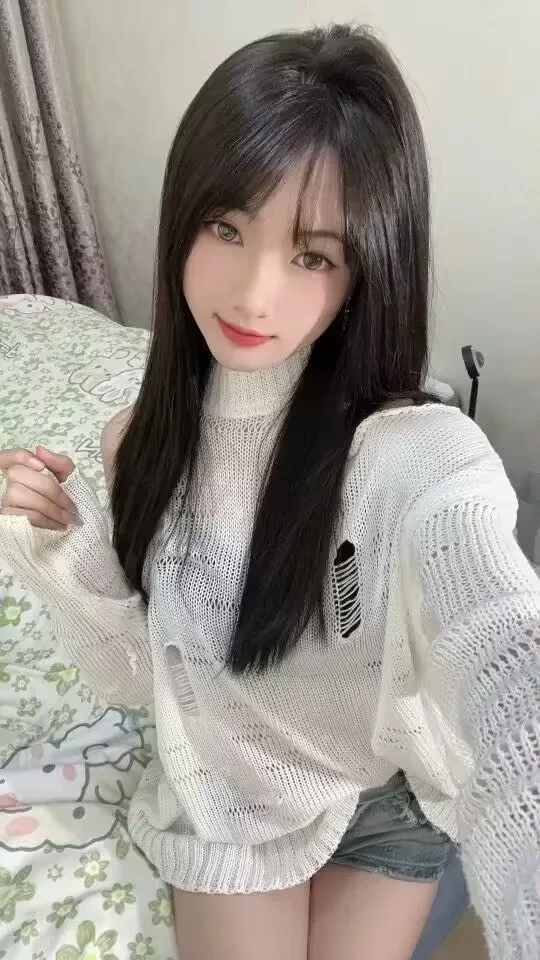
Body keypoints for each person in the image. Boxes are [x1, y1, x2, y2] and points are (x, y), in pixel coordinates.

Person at [0, 24, 538, 960]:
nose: (253, 295)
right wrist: (65, 554)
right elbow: (142, 676)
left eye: (312, 255)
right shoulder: (138, 445)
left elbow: (500, 647)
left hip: (390, 800)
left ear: (366, 270)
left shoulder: (417, 453)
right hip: (233, 799)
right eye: (226, 228)